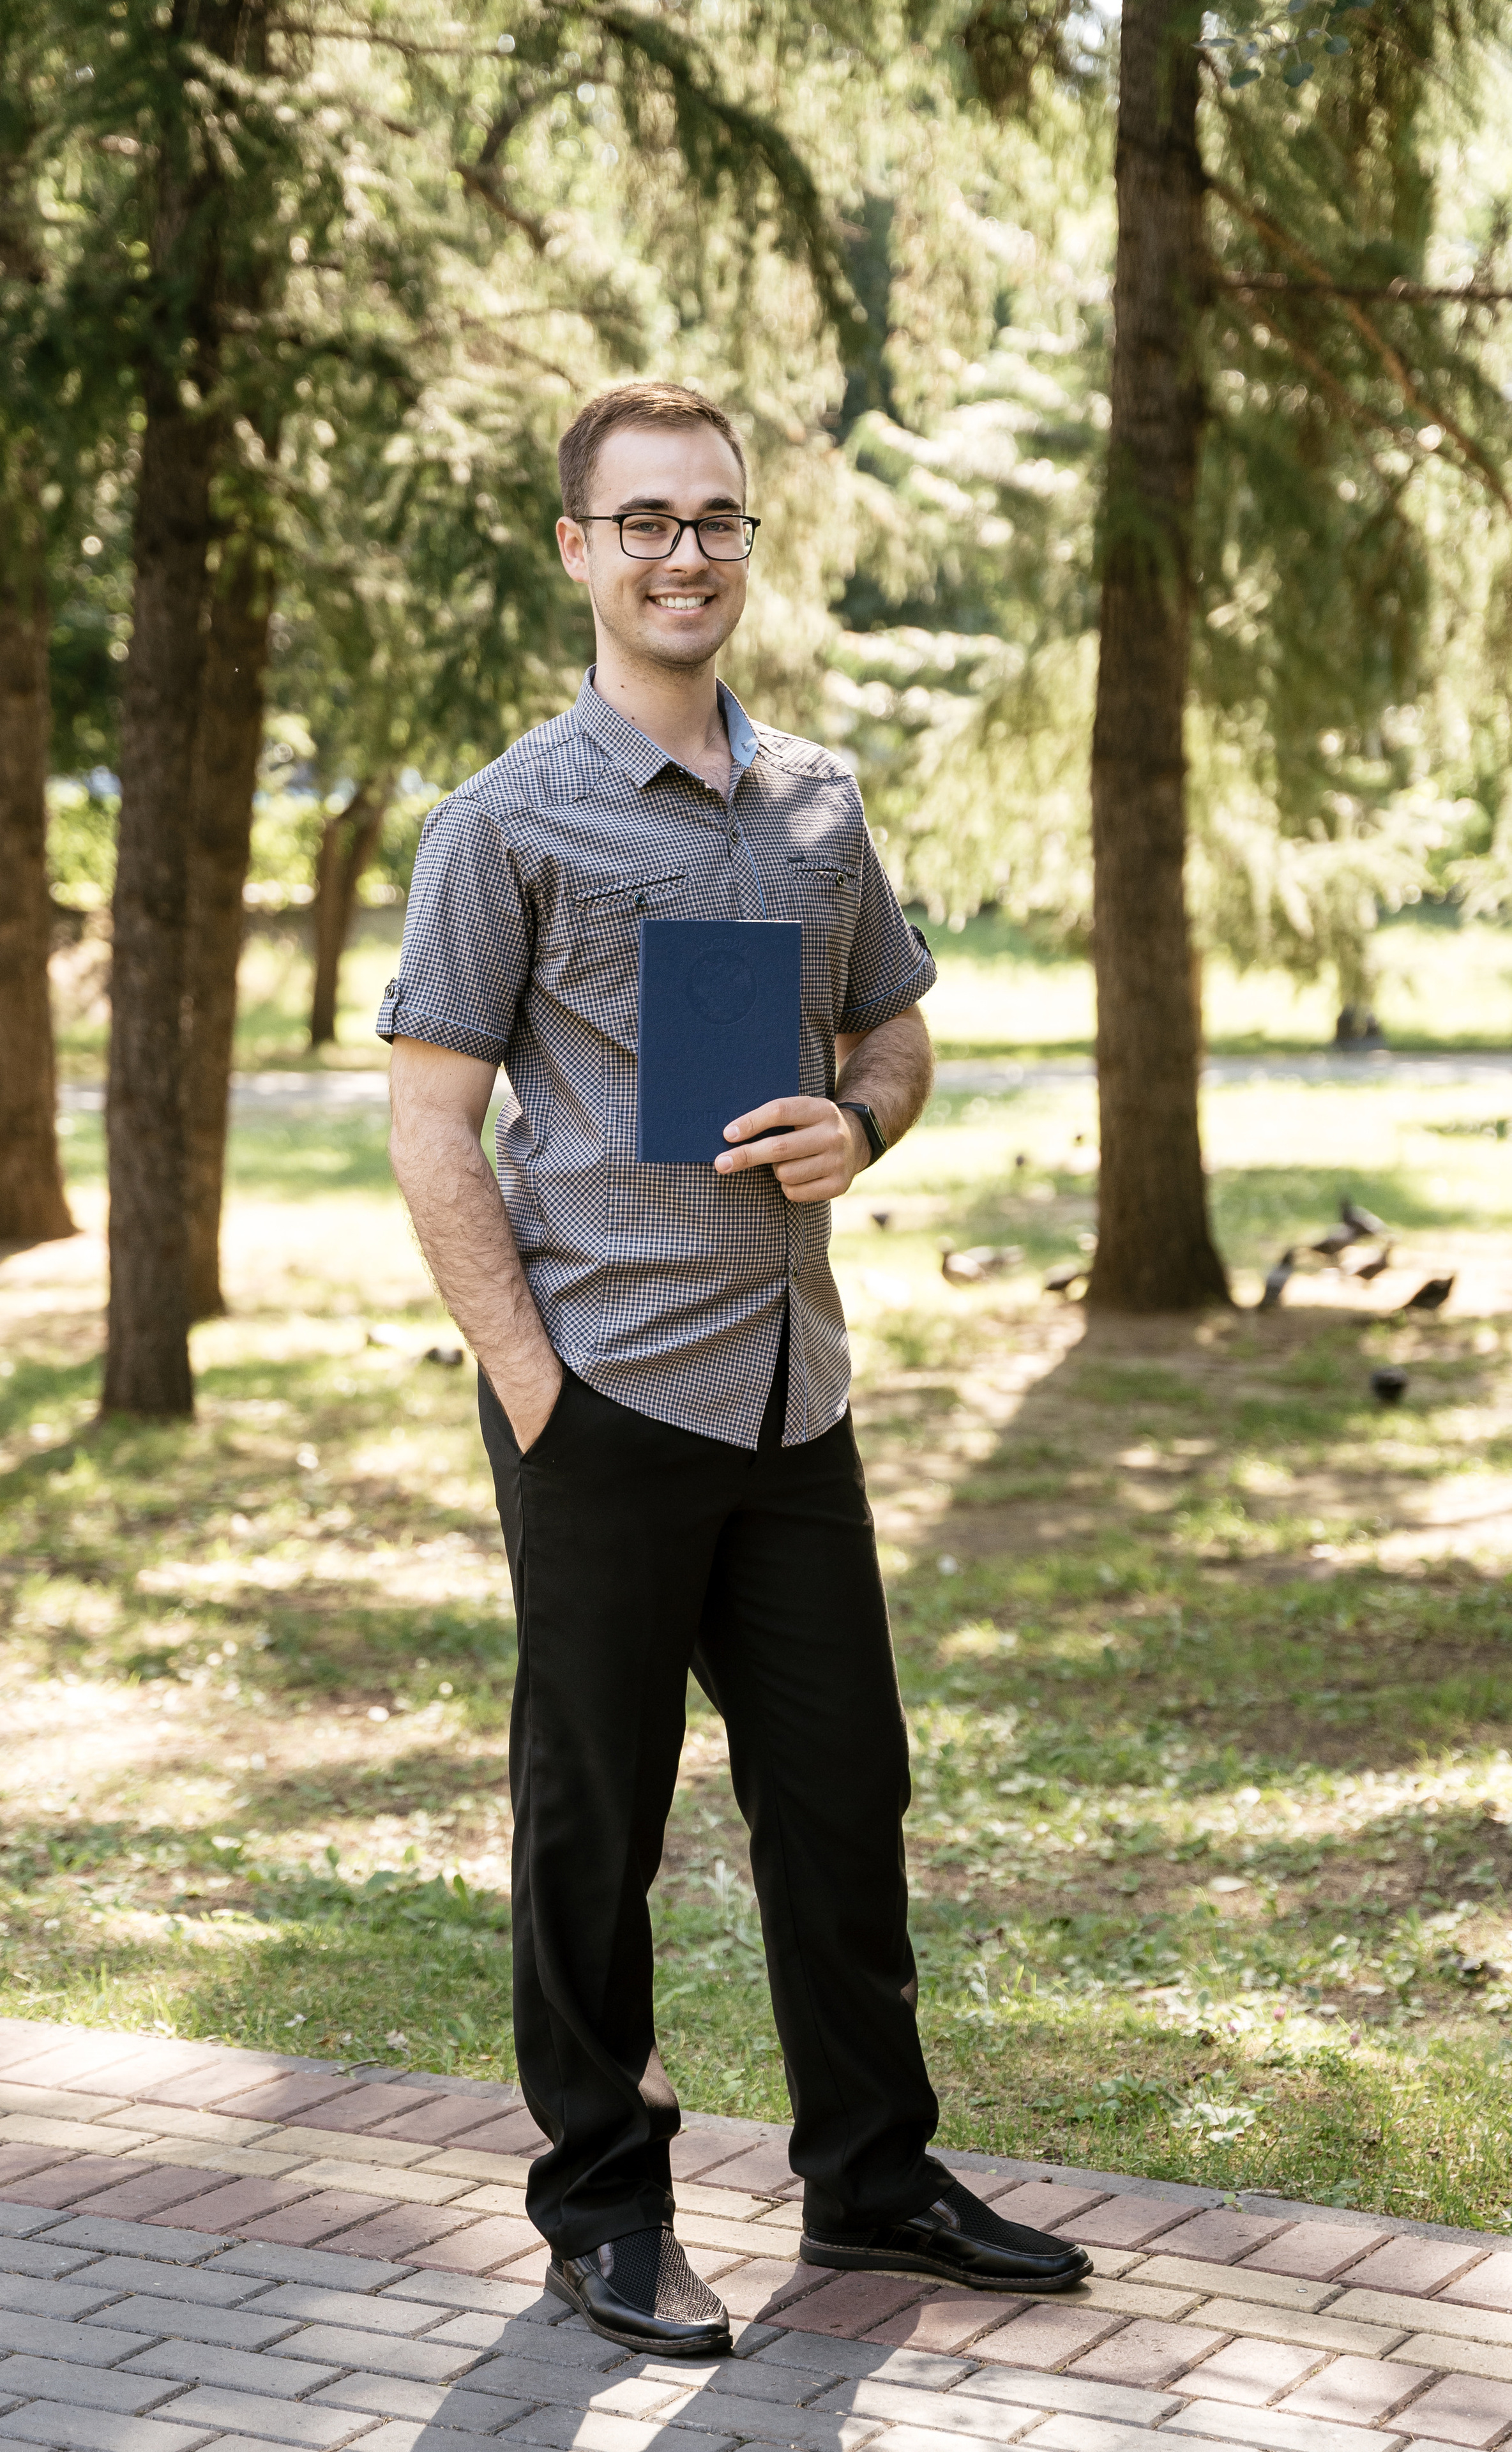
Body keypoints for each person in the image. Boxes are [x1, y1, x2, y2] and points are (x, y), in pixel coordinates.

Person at [381, 381, 1091, 2357]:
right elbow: (432, 1125)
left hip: (795, 1396)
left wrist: (861, 1130)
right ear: (579, 552)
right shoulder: (503, 820)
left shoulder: (821, 804)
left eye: (717, 519)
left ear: (746, 545)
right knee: (594, 1821)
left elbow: (897, 1034)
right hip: (601, 1395)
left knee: (842, 1797)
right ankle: (603, 2205)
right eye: (646, 522)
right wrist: (531, 1385)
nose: (686, 552)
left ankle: (873, 2173)